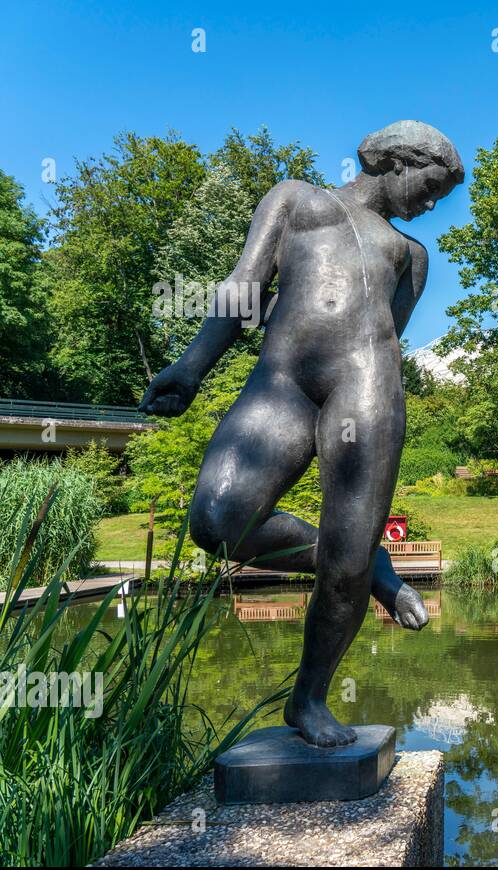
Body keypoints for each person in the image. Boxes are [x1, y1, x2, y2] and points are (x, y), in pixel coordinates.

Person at [140, 120, 464, 746]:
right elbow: (243, 289)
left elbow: (387, 337)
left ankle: (309, 700)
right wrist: (191, 366)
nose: (430, 206)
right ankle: (370, 563)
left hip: (366, 389)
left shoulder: (409, 255)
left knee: (343, 564)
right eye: (429, 188)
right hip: (281, 382)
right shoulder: (296, 201)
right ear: (399, 160)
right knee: (216, 520)